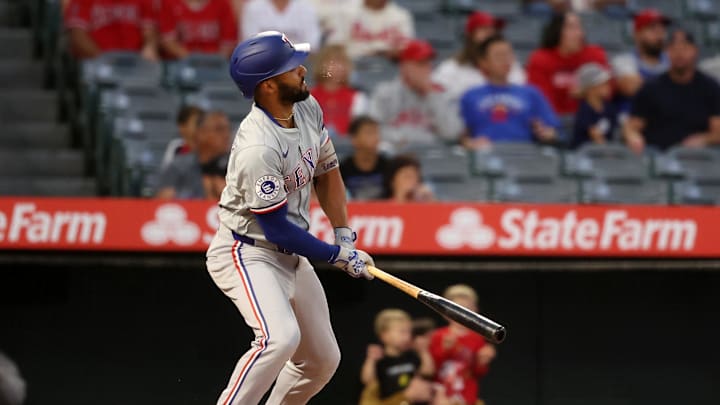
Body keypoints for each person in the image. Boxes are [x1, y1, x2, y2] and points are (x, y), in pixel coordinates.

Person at [205, 31, 375, 405]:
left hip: (290, 252)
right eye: (288, 67)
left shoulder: (307, 106)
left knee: (321, 360)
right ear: (267, 86)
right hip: (248, 251)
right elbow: (276, 227)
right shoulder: (258, 147)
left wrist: (344, 235)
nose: (301, 70)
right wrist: (335, 256)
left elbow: (327, 172)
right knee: (279, 339)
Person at [624, 28, 720, 153]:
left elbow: (717, 131)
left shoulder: (710, 87)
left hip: (698, 156)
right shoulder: (651, 87)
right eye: (673, 49)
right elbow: (632, 126)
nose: (679, 54)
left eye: (684, 49)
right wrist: (633, 137)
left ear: (695, 51)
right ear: (666, 52)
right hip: (659, 155)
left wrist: (704, 139)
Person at [460, 35, 559, 149]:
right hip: (484, 154)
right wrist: (469, 143)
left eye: (508, 54)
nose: (505, 60)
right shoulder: (470, 96)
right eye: (498, 56)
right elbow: (462, 136)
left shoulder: (531, 94)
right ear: (484, 62)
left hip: (525, 155)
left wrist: (546, 133)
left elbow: (553, 131)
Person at [369, 39, 454, 151]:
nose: (427, 69)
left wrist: (431, 95)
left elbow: (451, 133)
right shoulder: (385, 93)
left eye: (428, 63)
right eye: (421, 64)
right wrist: (402, 138)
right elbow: (371, 131)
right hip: (396, 156)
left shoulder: (439, 95)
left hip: (432, 158)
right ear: (404, 66)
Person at [432, 11, 526, 103]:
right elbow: (436, 100)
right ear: (470, 36)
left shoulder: (512, 67)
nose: (491, 34)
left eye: (494, 30)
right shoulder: (451, 68)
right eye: (485, 29)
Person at [526, 11, 608, 114]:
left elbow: (607, 91)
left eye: (579, 28)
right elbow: (540, 100)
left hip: (590, 119)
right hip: (554, 121)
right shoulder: (540, 59)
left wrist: (587, 93)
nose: (579, 33)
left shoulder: (595, 55)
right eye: (571, 28)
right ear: (557, 31)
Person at [430, 285, 497, 405]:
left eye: (467, 310)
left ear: (476, 313)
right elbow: (432, 369)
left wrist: (483, 361)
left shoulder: (478, 338)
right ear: (445, 312)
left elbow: (477, 373)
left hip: (467, 397)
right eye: (458, 310)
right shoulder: (438, 335)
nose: (462, 316)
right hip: (441, 396)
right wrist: (445, 350)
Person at [359, 309, 435, 405]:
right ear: (384, 335)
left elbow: (428, 372)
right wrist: (370, 360)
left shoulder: (412, 355)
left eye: (409, 332)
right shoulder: (380, 359)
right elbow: (367, 381)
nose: (407, 337)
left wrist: (423, 351)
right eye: (402, 332)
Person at [156, 110, 231, 199]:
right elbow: (162, 203)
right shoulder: (178, 167)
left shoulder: (235, 168)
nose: (226, 135)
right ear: (201, 134)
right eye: (219, 129)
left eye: (228, 129)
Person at [64, 0, 159, 60]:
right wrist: (103, 59)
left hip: (134, 64)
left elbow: (149, 32)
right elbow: (77, 36)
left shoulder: (144, 1)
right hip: (96, 64)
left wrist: (149, 46)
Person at [325, 0, 414, 60]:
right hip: (354, 65)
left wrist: (397, 52)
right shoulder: (346, 11)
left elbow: (407, 50)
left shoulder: (401, 16)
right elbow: (334, 46)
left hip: (388, 66)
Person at [310, 45, 368, 135]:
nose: (338, 67)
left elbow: (358, 130)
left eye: (341, 63)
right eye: (332, 62)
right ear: (321, 65)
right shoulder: (307, 96)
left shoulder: (357, 97)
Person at [159, 0, 238, 59]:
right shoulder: (170, 2)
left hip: (215, 63)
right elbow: (169, 42)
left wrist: (212, 62)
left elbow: (228, 43)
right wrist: (193, 60)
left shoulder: (222, 3)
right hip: (180, 62)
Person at [611, 9, 670, 82]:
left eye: (662, 30)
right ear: (637, 34)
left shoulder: (673, 62)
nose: (659, 34)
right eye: (652, 29)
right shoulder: (623, 62)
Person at [340, 116, 389, 200]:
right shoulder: (342, 169)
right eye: (369, 133)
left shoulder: (388, 166)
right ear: (354, 139)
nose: (375, 138)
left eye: (376, 133)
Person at [241, 0, 321, 50]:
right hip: (262, 63)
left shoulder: (306, 8)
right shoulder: (254, 7)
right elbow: (249, 43)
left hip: (297, 63)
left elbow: (312, 45)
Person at [572, 63, 617, 148]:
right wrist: (607, 153)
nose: (608, 87)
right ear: (591, 89)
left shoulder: (609, 108)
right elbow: (595, 134)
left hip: (603, 153)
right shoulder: (585, 110)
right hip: (585, 154)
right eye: (603, 84)